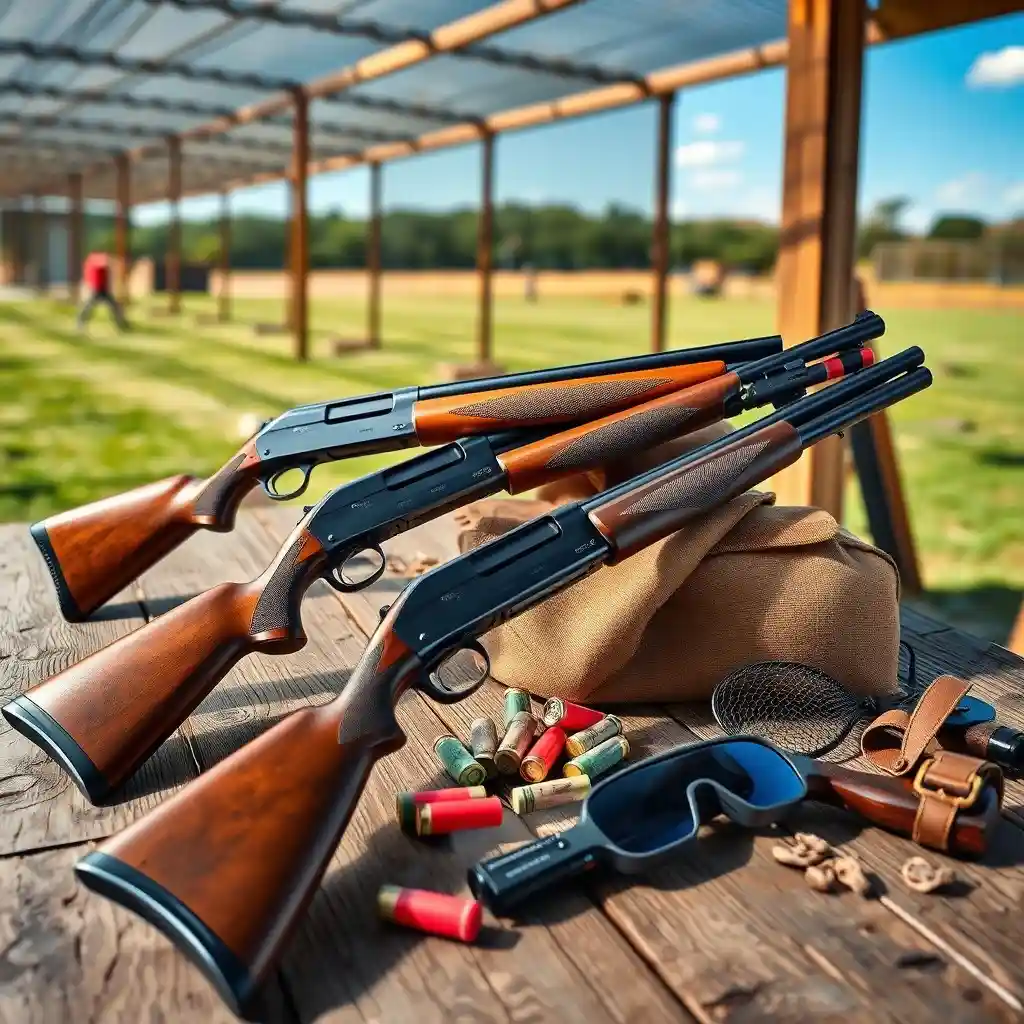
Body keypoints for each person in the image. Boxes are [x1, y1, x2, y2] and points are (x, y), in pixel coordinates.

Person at [77, 251, 128, 331]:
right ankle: (80, 323)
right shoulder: (95, 263)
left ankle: (122, 324)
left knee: (114, 307)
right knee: (87, 308)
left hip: (104, 289)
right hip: (95, 290)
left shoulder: (102, 266)